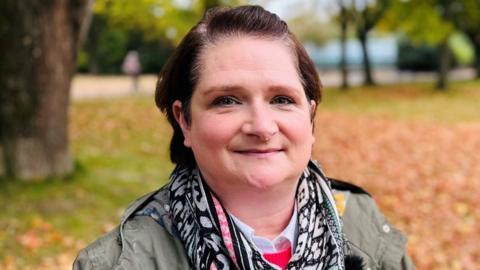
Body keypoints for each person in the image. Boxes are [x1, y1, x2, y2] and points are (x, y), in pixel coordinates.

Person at [73, 5, 415, 270]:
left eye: (282, 99)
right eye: (227, 100)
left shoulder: (362, 222)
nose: (262, 127)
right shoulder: (120, 262)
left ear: (310, 118)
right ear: (184, 121)